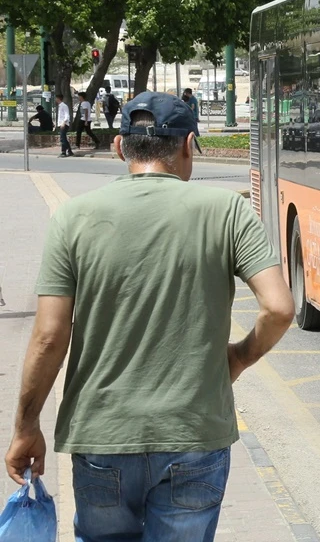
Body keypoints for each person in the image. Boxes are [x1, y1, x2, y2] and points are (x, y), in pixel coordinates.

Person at [4, 91, 295, 541]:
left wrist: (26, 425)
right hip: (193, 434)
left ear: (119, 147)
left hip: (102, 435)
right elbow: (278, 308)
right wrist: (238, 358)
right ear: (188, 145)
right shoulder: (227, 210)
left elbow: (48, 337)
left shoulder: (73, 217)